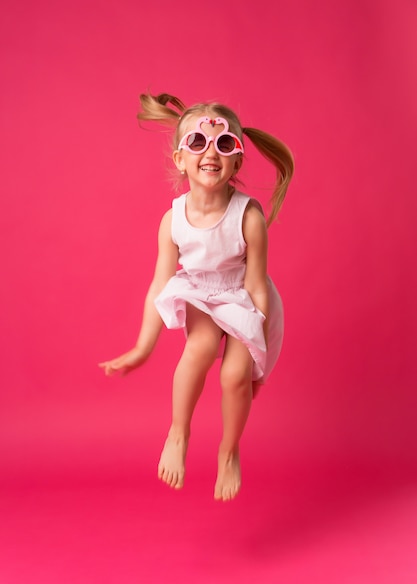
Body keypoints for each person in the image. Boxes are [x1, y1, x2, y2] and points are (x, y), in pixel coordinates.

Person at [99, 92, 294, 501]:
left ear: (237, 160)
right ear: (181, 159)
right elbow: (160, 284)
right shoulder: (173, 220)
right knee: (201, 346)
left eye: (224, 144)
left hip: (243, 298)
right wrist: (142, 347)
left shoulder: (250, 216)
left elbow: (258, 287)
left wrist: (257, 356)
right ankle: (178, 431)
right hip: (202, 295)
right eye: (198, 143)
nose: (211, 153)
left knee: (234, 376)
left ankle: (228, 451)